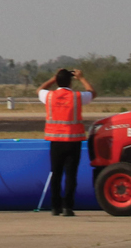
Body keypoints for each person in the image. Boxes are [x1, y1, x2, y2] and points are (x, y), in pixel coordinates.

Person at [38, 68, 95, 217]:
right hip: (73, 141)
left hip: (56, 141)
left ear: (57, 81)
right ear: (71, 82)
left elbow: (40, 89)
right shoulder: (77, 97)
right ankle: (68, 207)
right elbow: (92, 93)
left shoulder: (49, 96)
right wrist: (82, 78)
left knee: (56, 175)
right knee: (71, 175)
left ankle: (55, 207)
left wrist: (53, 78)